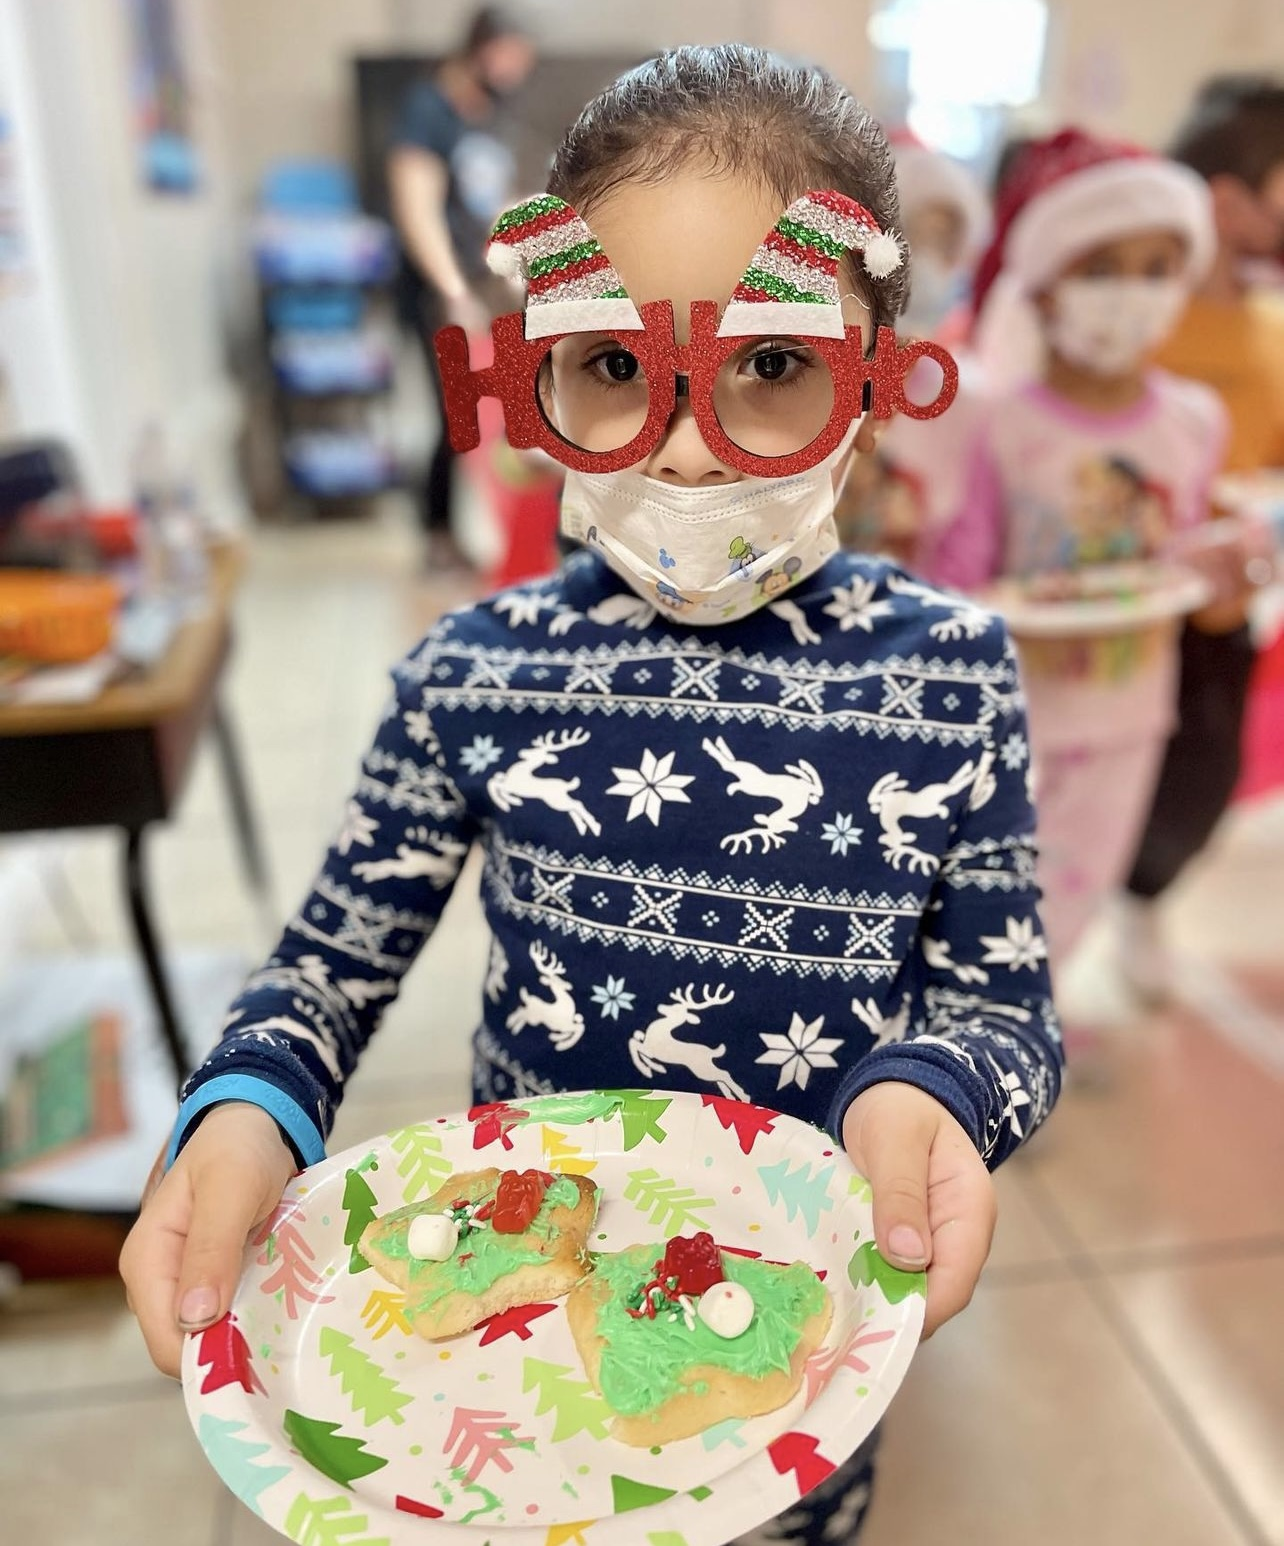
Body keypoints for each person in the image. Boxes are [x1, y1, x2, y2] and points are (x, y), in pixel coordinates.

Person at [120, 47, 1062, 1543]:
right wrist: (247, 1105)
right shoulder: (474, 670)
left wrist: (927, 1088)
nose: (687, 445)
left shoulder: (953, 676)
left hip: (799, 1351)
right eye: (619, 367)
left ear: (877, 382)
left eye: (769, 365)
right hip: (522, 1346)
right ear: (537, 377)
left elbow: (1007, 1011)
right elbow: (325, 967)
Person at [925, 129, 1234, 996]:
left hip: (1130, 713)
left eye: (1156, 267)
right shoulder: (1002, 422)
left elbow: (1183, 569)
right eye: (1102, 268)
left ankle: (1011, 1052)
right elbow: (964, 565)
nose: (1129, 296)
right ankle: (964, 1051)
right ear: (1048, 282)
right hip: (1019, 715)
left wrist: (1222, 575)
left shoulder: (1194, 420)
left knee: (1074, 899)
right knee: (988, 902)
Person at [1116, 78, 1284, 999]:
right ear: (1229, 198)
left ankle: (1145, 903)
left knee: (1201, 779)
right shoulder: (1142, 324)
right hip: (1119, 609)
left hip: (1224, 614)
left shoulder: (1271, 330)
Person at [387, 7, 536, 573]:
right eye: (512, 58)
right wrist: (451, 288)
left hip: (483, 284)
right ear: (483, 49)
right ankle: (437, 536)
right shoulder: (428, 110)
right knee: (456, 415)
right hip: (438, 289)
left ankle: (503, 537)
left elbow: (485, 203)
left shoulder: (487, 116)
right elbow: (417, 208)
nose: (517, 72)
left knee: (493, 414)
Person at [833, 136, 992, 564]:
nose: (923, 262)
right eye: (904, 237)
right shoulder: (806, 381)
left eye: (943, 245)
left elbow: (968, 545)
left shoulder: (963, 403)